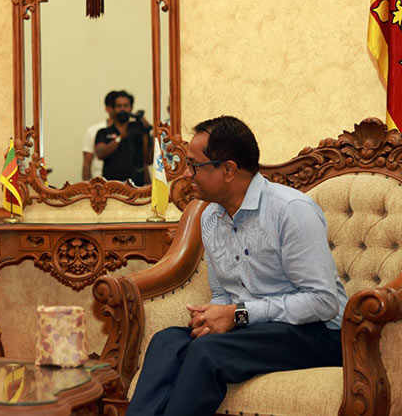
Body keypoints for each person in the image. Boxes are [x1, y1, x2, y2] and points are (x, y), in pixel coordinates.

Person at [127, 115, 349, 416]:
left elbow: (323, 302)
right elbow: (224, 294)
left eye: (195, 165)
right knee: (166, 341)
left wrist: (238, 315)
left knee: (207, 353)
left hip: (318, 334)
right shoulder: (210, 217)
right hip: (254, 329)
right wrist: (212, 316)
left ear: (229, 169)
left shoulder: (290, 210)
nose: (187, 175)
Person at [94, 90, 151, 185]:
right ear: (112, 109)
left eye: (126, 106)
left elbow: (148, 159)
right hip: (111, 186)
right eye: (119, 106)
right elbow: (100, 153)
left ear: (131, 108)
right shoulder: (103, 132)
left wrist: (146, 130)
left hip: (136, 185)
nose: (122, 109)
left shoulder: (138, 130)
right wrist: (120, 137)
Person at [81, 90, 119, 181]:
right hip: (100, 183)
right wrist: (86, 188)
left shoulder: (130, 130)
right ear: (107, 108)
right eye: (116, 106)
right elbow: (87, 161)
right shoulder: (94, 130)